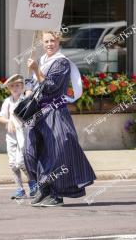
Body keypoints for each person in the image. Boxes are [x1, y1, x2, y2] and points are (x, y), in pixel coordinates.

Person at [24, 31, 96, 207]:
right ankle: (44, 187)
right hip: (38, 114)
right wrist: (28, 89)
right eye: (47, 41)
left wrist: (35, 70)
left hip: (55, 112)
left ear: (59, 42)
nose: (50, 44)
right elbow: (32, 83)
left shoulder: (61, 62)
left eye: (53, 41)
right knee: (32, 151)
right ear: (42, 43)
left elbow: (50, 86)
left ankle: (56, 194)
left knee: (57, 152)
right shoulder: (42, 61)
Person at [0, 74, 37, 199]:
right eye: (12, 86)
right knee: (13, 164)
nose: (15, 88)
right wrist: (8, 121)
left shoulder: (25, 99)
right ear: (9, 88)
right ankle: (20, 189)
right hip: (11, 136)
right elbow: (0, 117)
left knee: (21, 162)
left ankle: (33, 183)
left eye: (18, 86)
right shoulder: (7, 101)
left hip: (23, 134)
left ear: (22, 87)